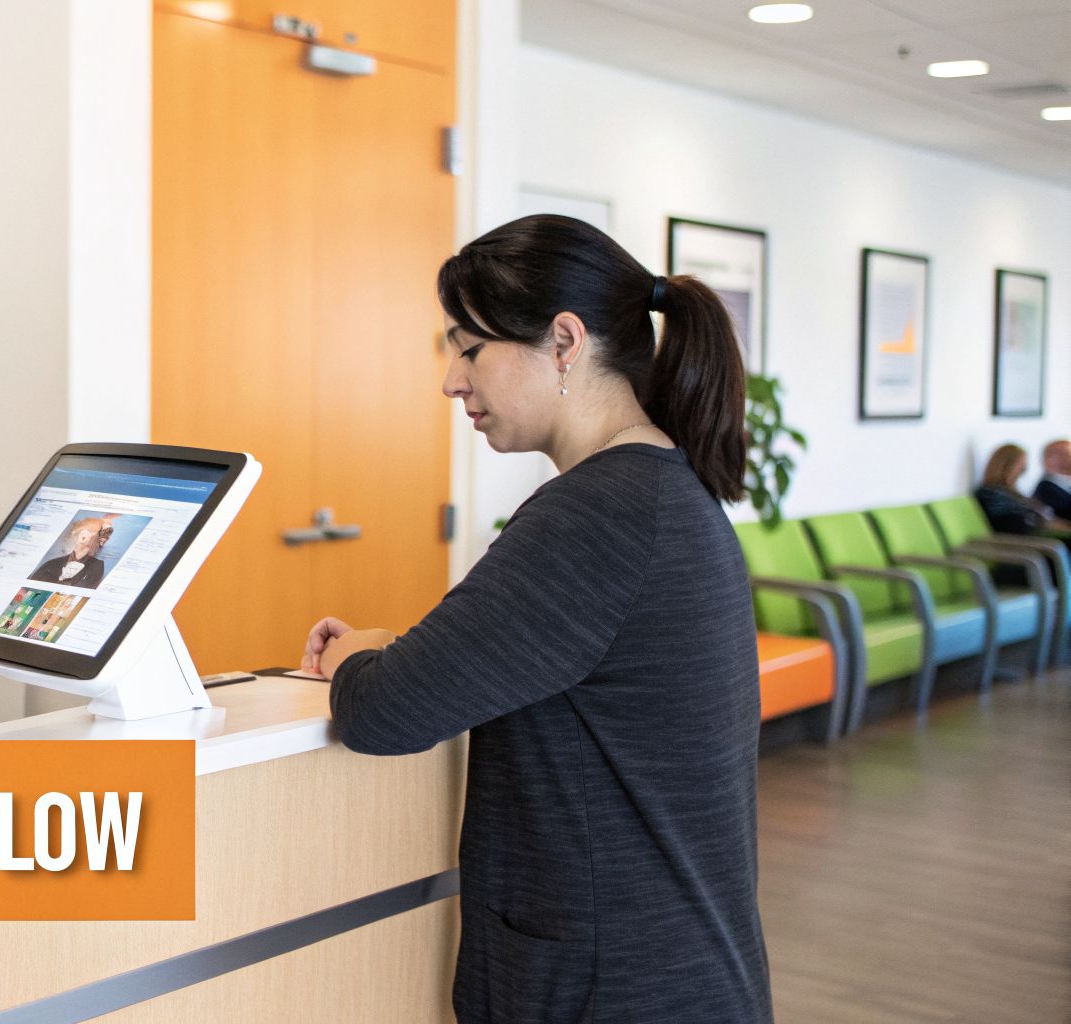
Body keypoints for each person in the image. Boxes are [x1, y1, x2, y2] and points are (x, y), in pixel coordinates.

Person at [302, 215, 772, 1022]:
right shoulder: (663, 489)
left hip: (620, 987)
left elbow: (385, 711)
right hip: (672, 970)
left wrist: (359, 659)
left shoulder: (598, 514)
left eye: (469, 347)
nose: (452, 381)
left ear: (564, 341)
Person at [976, 443, 1070, 535]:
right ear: (1007, 466)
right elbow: (1016, 525)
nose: (1023, 471)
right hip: (1026, 543)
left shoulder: (1010, 493)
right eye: (1021, 467)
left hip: (1038, 538)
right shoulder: (991, 494)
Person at [28, 518, 113, 589]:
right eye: (100, 533)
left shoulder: (97, 566)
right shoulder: (50, 565)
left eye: (107, 534)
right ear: (82, 536)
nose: (104, 538)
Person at [1031, 439, 1071, 521]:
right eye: (1059, 454)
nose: (1066, 457)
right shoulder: (1046, 488)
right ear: (1045, 460)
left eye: (1068, 453)